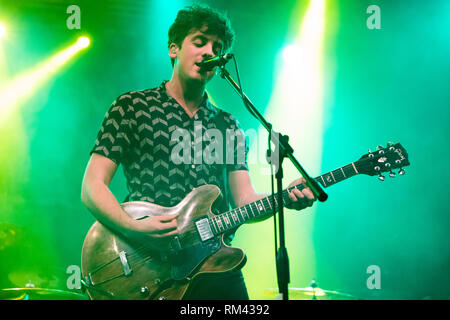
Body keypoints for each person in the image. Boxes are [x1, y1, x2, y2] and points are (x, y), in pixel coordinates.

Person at [81, 4, 316, 300]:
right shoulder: (132, 107)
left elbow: (245, 200)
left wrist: (285, 197)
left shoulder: (228, 124)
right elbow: (92, 186)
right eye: (200, 41)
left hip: (215, 263)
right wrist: (134, 228)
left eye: (216, 47)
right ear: (174, 49)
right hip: (148, 263)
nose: (209, 51)